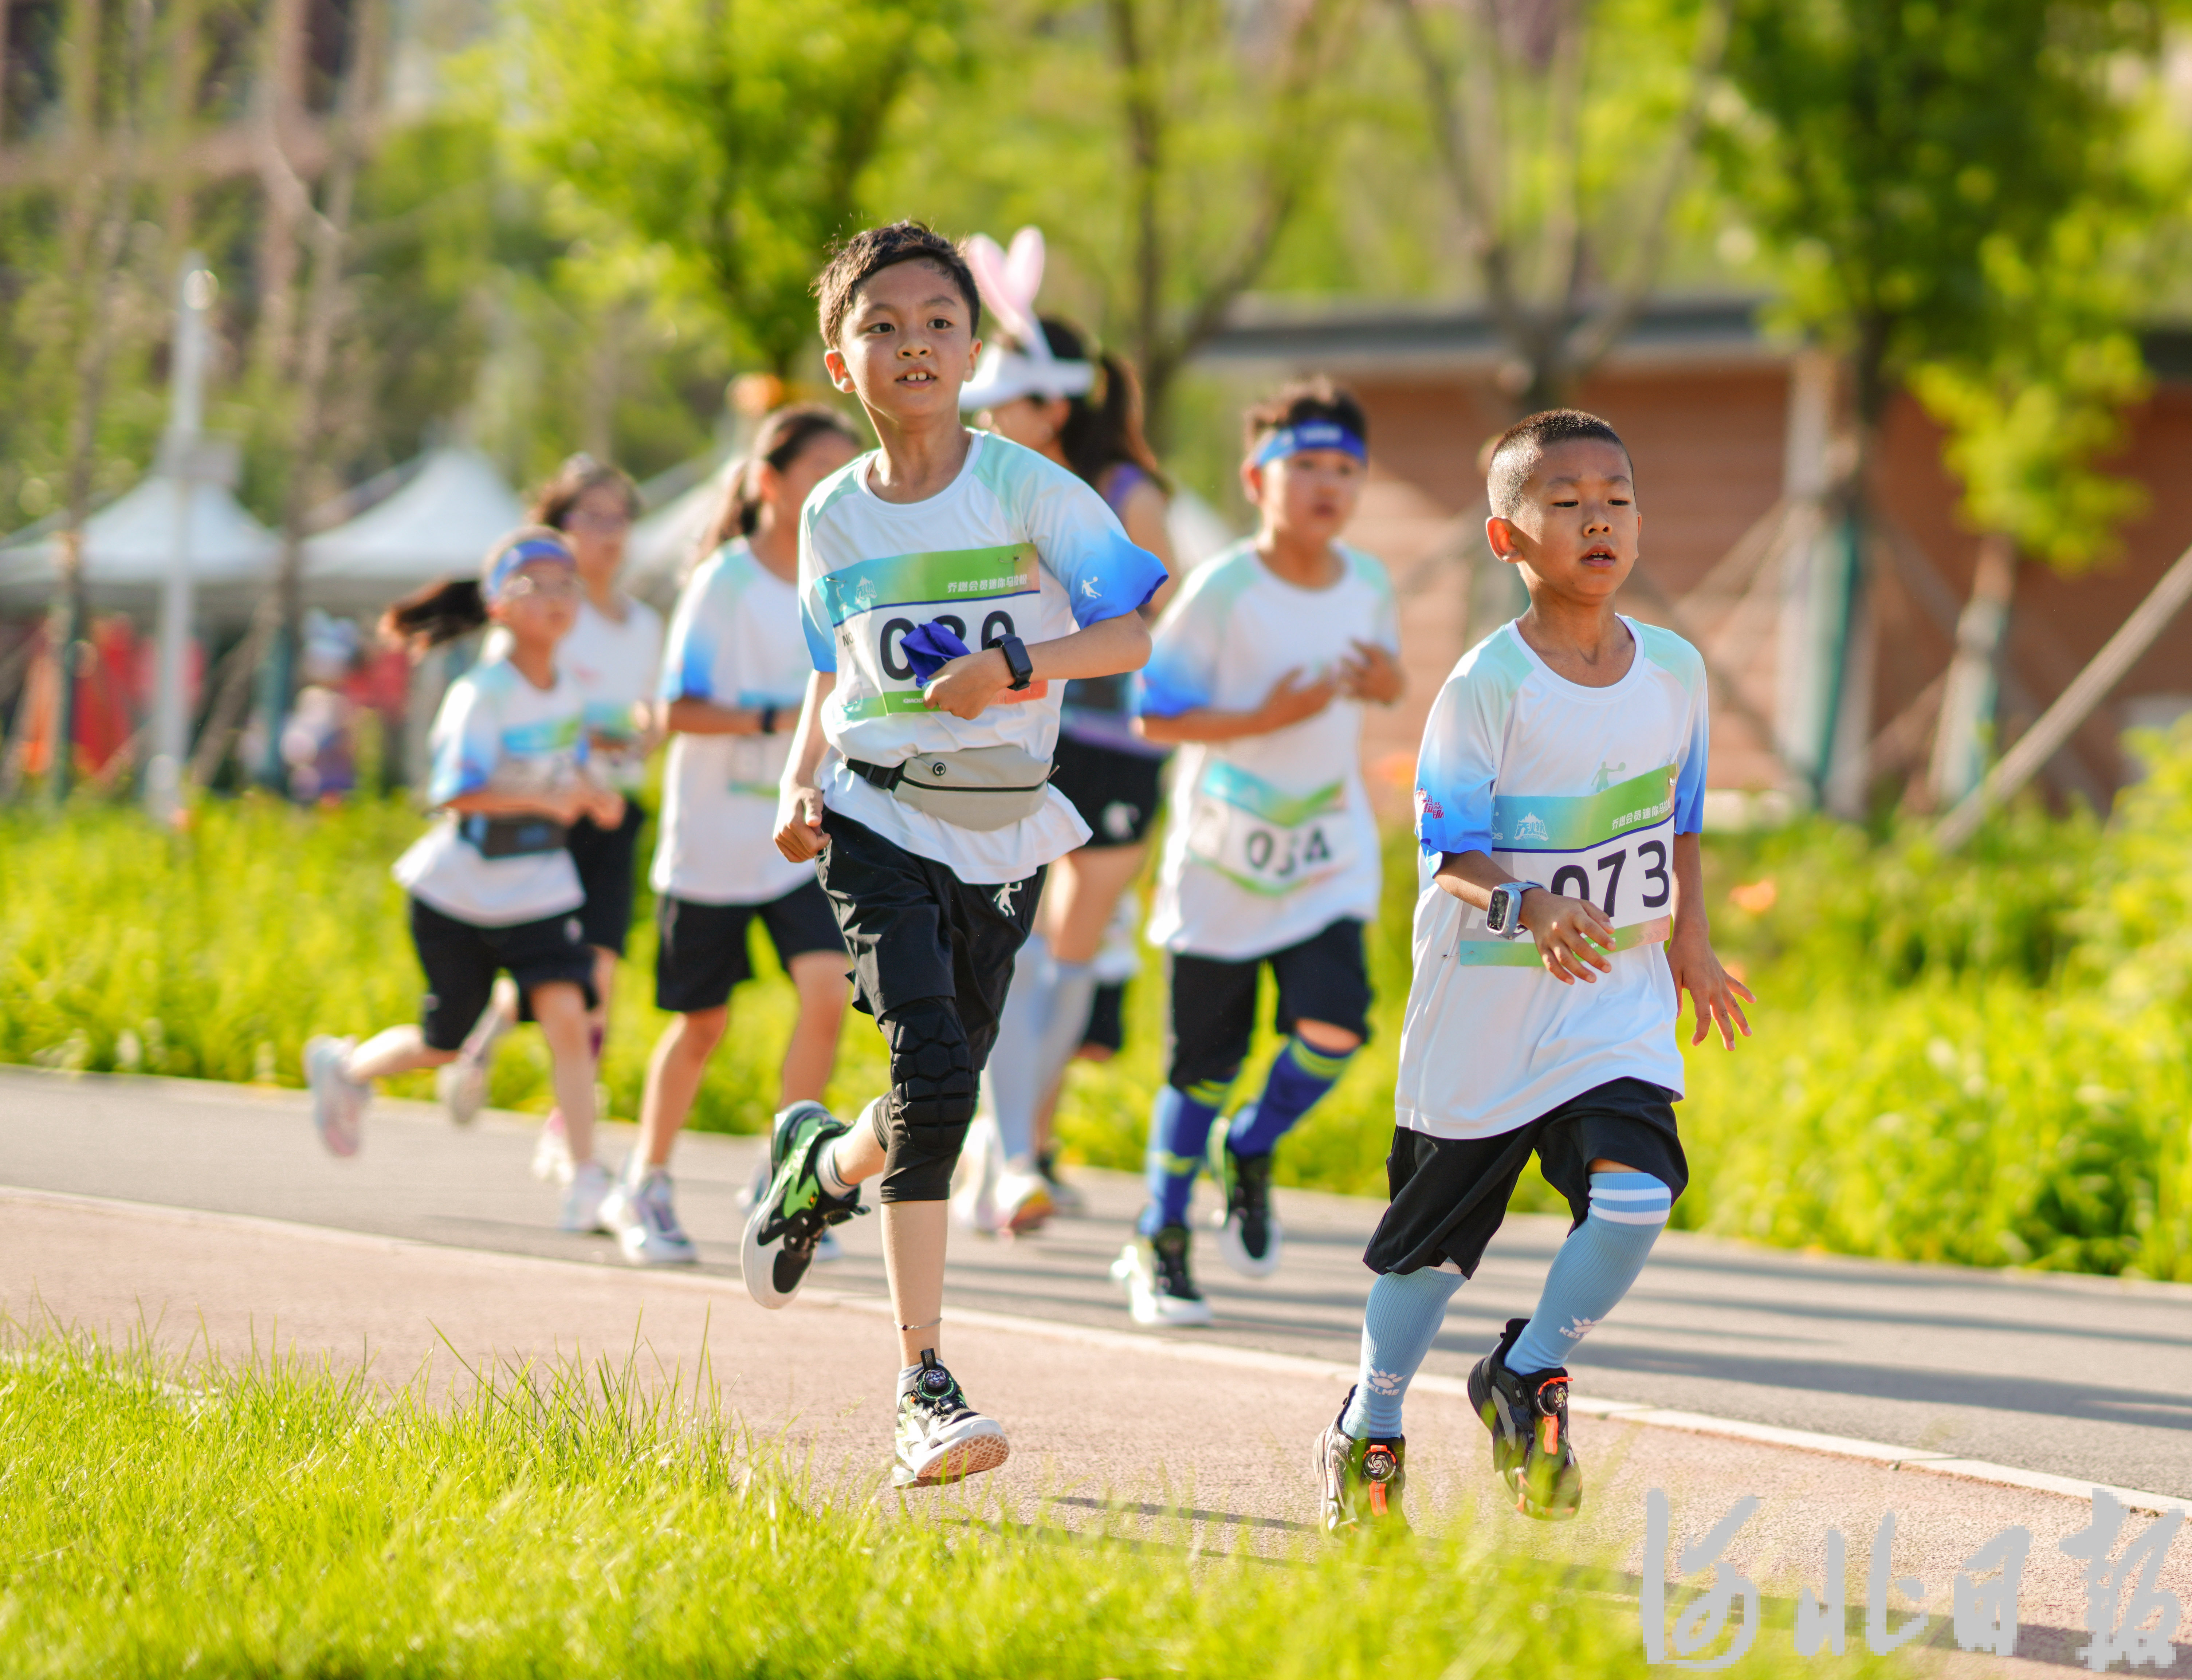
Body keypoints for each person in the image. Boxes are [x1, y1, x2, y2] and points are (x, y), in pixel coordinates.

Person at [743, 221, 1165, 1488]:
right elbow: (833, 668)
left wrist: (1020, 664)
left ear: (975, 347)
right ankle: (922, 1383)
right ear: (838, 361)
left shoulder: (1028, 487)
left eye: (937, 321)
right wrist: (795, 773)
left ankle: (818, 1164)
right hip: (872, 811)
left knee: (939, 1096)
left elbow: (1135, 630)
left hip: (1004, 824)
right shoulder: (828, 514)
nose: (912, 344)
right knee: (930, 1072)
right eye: (882, 325)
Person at [1314, 408, 1754, 1537]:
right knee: (1430, 1257)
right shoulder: (1485, 683)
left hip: (1613, 1001)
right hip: (1486, 1012)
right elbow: (1447, 849)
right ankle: (1371, 1416)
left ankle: (1529, 1369)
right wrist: (1535, 900)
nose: (1596, 516)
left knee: (1638, 1193)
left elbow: (1682, 821)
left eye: (1615, 495)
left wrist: (1692, 944)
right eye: (1564, 501)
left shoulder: (1676, 671)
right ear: (1509, 539)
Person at [1113, 380, 1404, 1327]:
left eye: (1345, 468)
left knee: (1336, 1026)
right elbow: (1152, 712)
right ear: (1255, 478)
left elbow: (1385, 677)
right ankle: (1158, 1237)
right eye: (1305, 464)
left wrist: (1390, 678)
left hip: (1326, 849)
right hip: (1224, 856)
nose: (1327, 484)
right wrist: (1260, 718)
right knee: (1202, 1060)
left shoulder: (1368, 581)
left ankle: (1255, 1140)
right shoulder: (1224, 588)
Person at [951, 227, 1179, 1236]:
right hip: (1014, 728)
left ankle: (1024, 1145)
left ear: (1054, 401)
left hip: (1112, 738)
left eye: (1005, 395)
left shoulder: (1128, 492)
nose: (990, 416)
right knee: (1020, 942)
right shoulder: (987, 485)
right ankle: (1002, 1151)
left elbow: (1150, 609)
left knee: (1076, 941)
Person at [601, 407, 865, 1266]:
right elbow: (675, 709)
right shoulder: (724, 581)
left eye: (846, 467)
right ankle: (646, 1181)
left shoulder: (844, 580)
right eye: (819, 466)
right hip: (711, 845)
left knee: (829, 992)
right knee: (702, 1025)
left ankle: (789, 1177)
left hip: (798, 842)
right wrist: (779, 718)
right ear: (767, 481)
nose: (836, 483)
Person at [303, 529, 625, 1233]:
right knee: (442, 1041)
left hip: (539, 885)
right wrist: (547, 801)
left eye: (566, 584)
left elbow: (568, 765)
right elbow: (455, 792)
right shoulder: (482, 693)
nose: (556, 598)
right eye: (535, 584)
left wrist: (596, 793)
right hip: (457, 893)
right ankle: (347, 1068)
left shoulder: (568, 687)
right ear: (499, 605)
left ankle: (587, 1178)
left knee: (571, 1018)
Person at [441, 457, 664, 1171]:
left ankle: (565, 1119)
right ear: (558, 525)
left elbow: (654, 708)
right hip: (542, 816)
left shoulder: (644, 625)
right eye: (589, 518)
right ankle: (494, 1052)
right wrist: (590, 737)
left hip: (611, 812)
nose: (606, 535)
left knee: (595, 972)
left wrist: (650, 729)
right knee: (553, 964)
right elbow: (513, 717)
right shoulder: (535, 616)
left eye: (618, 519)